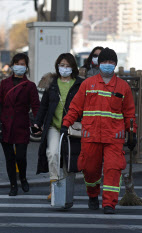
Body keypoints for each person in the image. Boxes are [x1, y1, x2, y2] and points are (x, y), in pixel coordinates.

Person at [61, 48, 137, 214]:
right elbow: (75, 107)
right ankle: (93, 195)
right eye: (105, 62)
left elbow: (130, 113)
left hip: (114, 137)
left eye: (111, 62)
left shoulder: (123, 87)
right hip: (91, 135)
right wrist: (66, 124)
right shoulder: (88, 84)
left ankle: (109, 203)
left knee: (112, 169)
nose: (108, 65)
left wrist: (132, 133)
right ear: (99, 63)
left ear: (116, 64)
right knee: (89, 169)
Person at [34, 53, 83, 201]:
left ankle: (67, 188)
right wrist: (37, 122)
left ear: (73, 67)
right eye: (62, 65)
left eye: (68, 66)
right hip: (54, 126)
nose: (65, 68)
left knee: (69, 157)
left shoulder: (79, 84)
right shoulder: (53, 83)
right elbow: (44, 105)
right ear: (57, 66)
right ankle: (54, 186)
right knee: (52, 153)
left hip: (72, 127)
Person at [0, 53, 40, 196]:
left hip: (21, 124)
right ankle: (13, 185)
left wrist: (38, 124)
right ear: (12, 65)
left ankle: (23, 177)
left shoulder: (30, 86)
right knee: (9, 158)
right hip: (6, 124)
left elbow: (36, 106)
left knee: (21, 156)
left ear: (26, 67)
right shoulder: (4, 83)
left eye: (22, 64)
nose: (19, 66)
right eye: (17, 63)